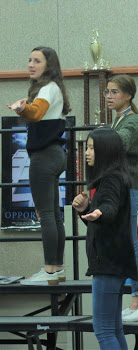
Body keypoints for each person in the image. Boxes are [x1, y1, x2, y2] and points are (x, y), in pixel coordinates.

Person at [7, 46, 70, 285]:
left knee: (46, 215)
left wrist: (22, 108)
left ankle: (50, 270)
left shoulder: (48, 88)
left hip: (44, 157)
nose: (31, 64)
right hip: (54, 155)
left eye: (37, 61)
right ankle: (58, 268)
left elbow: (35, 113)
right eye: (29, 60)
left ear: (49, 65)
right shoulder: (52, 89)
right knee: (53, 214)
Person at [72, 127, 137, 350]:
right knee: (114, 328)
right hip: (114, 262)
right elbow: (104, 220)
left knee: (104, 330)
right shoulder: (114, 177)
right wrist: (87, 211)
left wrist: (99, 212)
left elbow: (109, 208)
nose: (87, 152)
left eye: (92, 148)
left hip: (108, 263)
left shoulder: (110, 179)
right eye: (87, 147)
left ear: (105, 151)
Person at [105, 74, 138, 322]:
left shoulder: (133, 120)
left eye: (114, 92)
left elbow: (121, 141)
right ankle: (136, 300)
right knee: (126, 245)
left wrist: (99, 139)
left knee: (130, 245)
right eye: (107, 92)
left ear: (128, 95)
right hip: (120, 188)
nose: (109, 96)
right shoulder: (118, 120)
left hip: (129, 187)